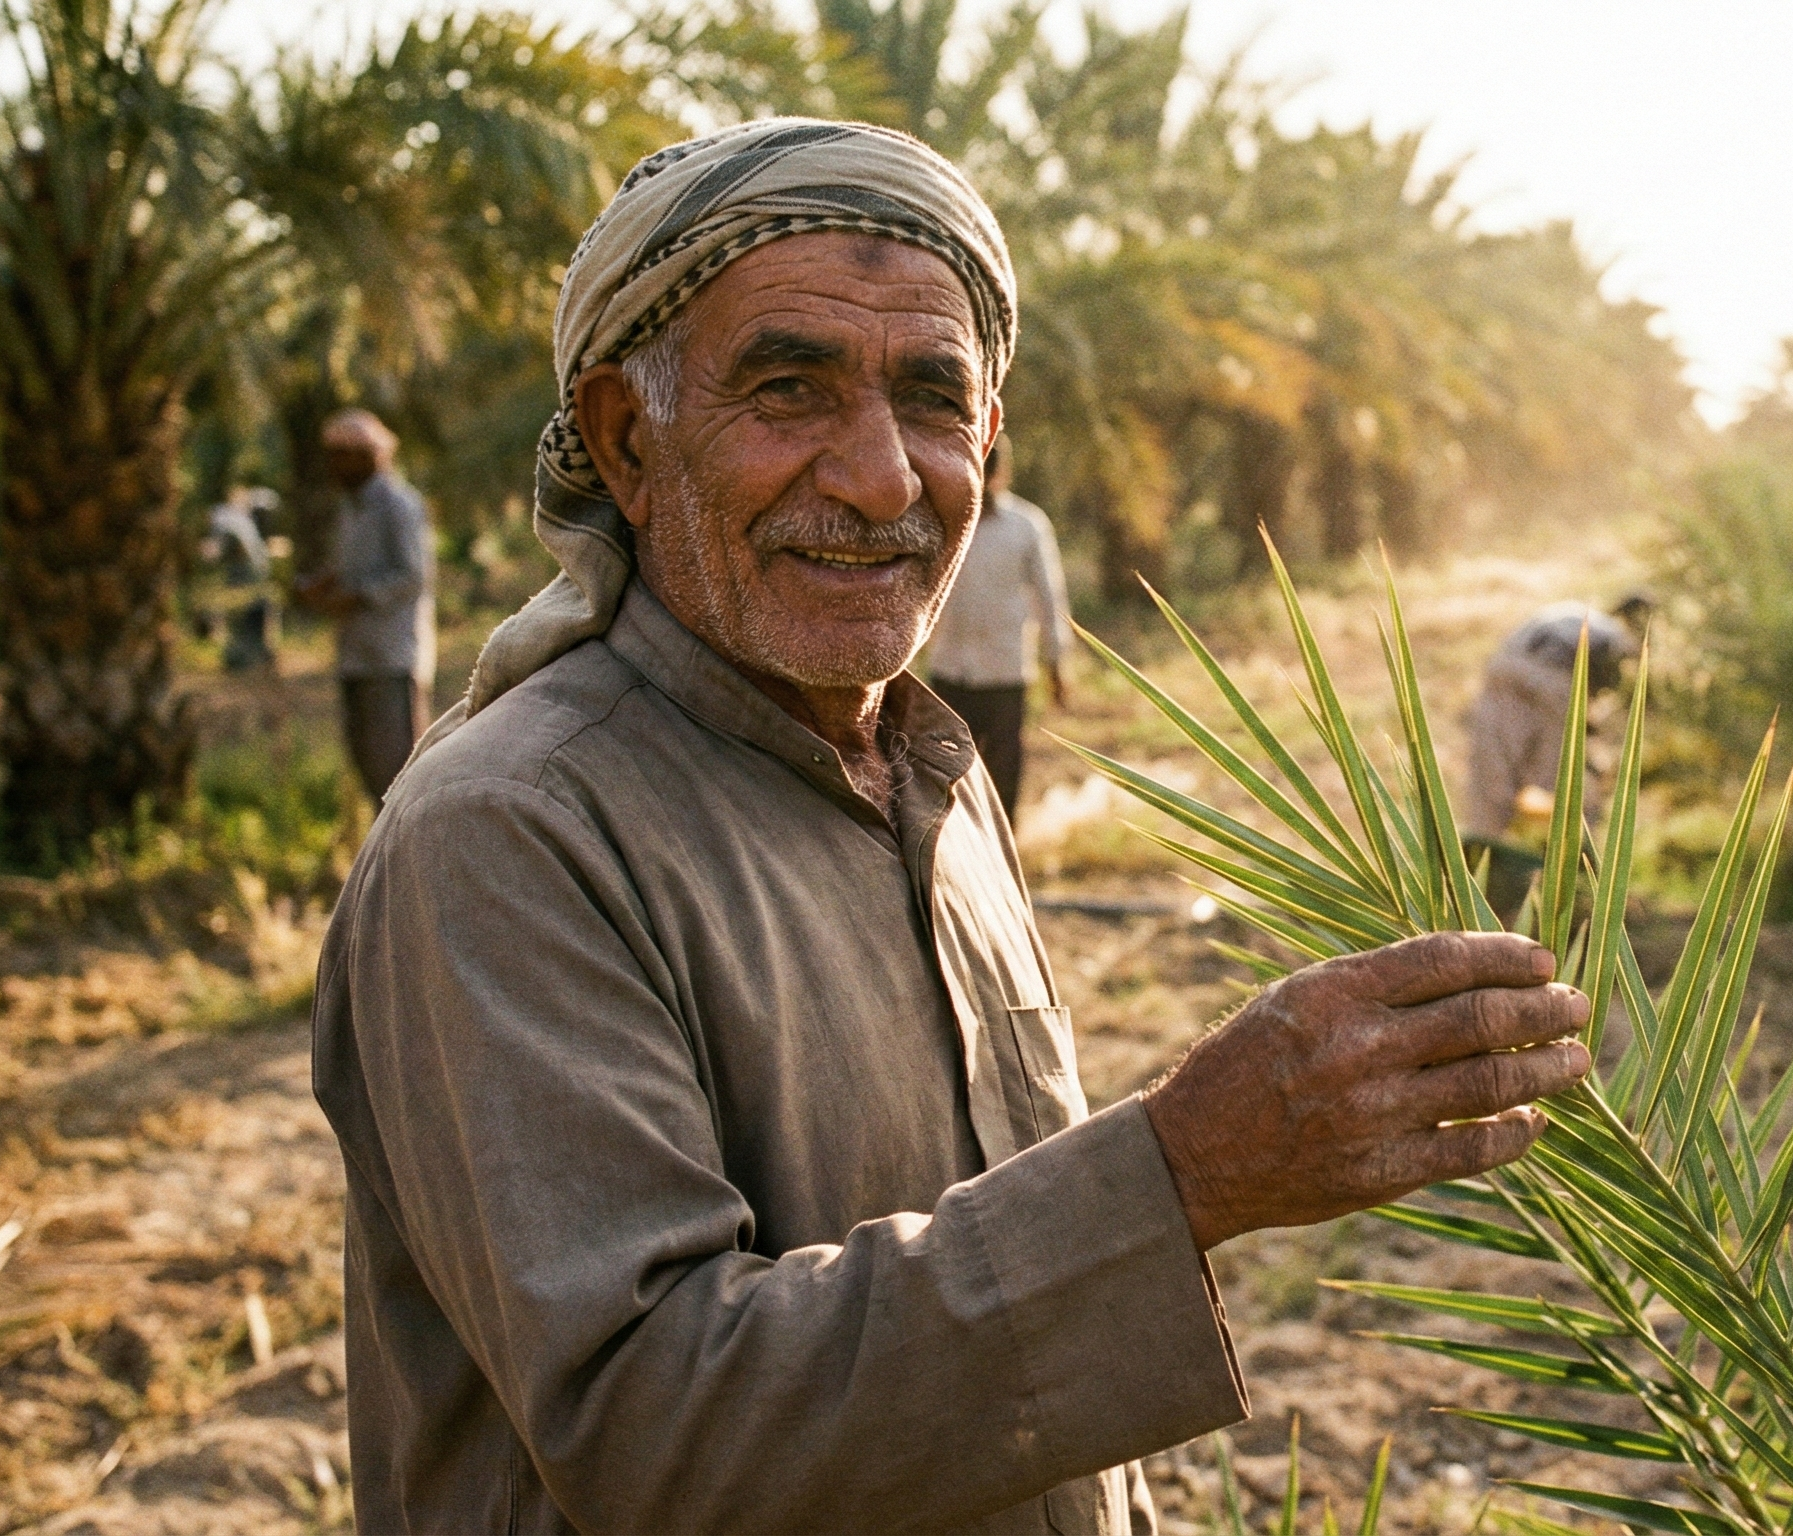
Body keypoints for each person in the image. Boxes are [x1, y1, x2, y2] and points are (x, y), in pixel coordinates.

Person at [310, 118, 1590, 1535]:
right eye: (788, 390)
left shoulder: (930, 775)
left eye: (931, 400)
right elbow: (651, 1429)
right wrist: (1181, 1172)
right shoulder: (509, 835)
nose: (881, 477)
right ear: (627, 440)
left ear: (985, 437)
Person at [293, 409, 434, 806]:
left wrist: (357, 597)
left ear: (369, 455)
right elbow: (351, 568)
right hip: (355, 654)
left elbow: (413, 576)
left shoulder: (399, 505)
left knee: (397, 771)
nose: (333, 464)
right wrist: (323, 584)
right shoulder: (351, 507)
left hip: (391, 655)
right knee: (369, 767)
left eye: (341, 455)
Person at [923, 438, 1071, 816]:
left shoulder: (1027, 526)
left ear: (1001, 473)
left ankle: (1004, 847)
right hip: (950, 672)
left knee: (1004, 776)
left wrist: (1056, 663)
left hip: (1005, 673)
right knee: (946, 778)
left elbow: (1050, 599)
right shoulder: (941, 520)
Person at [1461, 594, 1653, 841]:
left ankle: (1484, 842)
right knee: (1563, 776)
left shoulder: (1573, 612)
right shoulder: (1614, 635)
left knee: (1495, 766)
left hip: (1502, 671)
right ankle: (1579, 847)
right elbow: (1597, 686)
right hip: (1551, 682)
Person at [198, 485, 276, 674]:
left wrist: (207, 553)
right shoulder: (240, 520)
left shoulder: (225, 520)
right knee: (254, 618)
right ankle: (258, 658)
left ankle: (242, 660)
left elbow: (217, 550)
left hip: (244, 579)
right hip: (255, 576)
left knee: (242, 621)